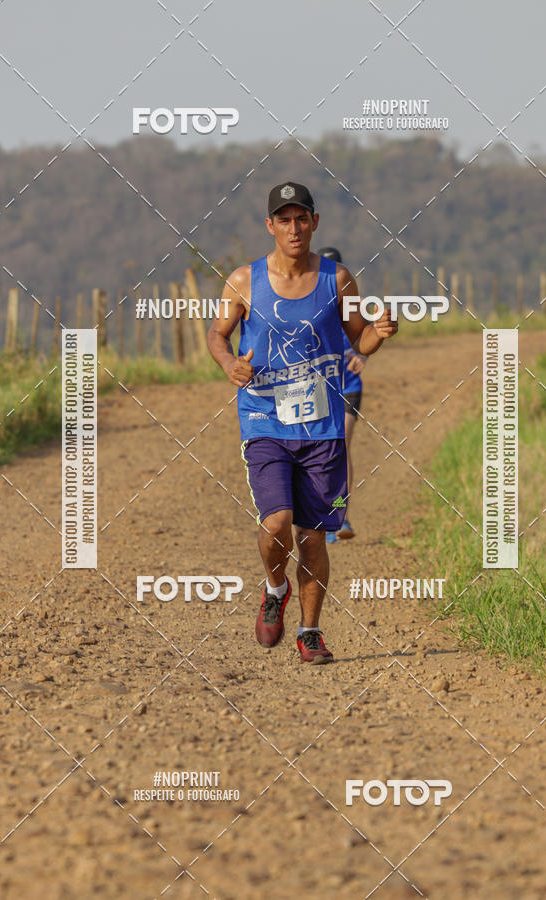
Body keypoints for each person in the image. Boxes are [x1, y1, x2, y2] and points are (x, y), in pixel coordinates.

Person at [207, 182, 397, 664]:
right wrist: (230, 364)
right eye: (284, 219)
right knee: (276, 524)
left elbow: (360, 342)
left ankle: (310, 633)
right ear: (270, 226)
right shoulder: (243, 280)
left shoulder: (339, 280)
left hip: (323, 427)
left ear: (315, 222)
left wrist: (380, 332)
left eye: (302, 218)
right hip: (264, 419)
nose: (294, 228)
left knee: (312, 536)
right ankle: (275, 588)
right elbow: (217, 333)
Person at [317, 247, 365, 544]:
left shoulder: (350, 303)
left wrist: (364, 358)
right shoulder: (309, 305)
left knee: (341, 449)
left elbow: (366, 336)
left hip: (348, 388)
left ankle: (340, 515)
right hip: (318, 392)